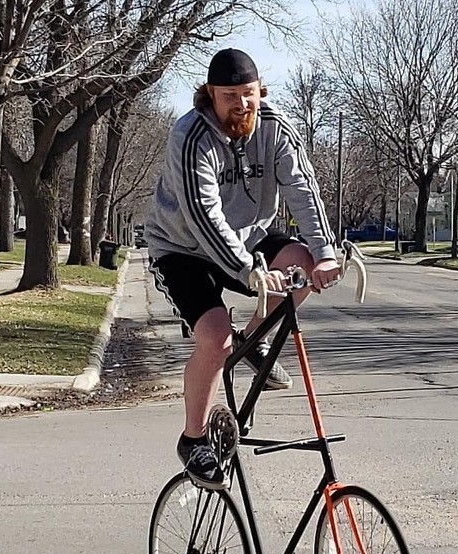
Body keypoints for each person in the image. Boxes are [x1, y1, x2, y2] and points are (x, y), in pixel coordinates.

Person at [146, 48, 340, 491]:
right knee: (214, 338)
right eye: (229, 95)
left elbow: (302, 188)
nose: (241, 104)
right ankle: (193, 439)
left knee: (301, 264)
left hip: (250, 236)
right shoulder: (191, 136)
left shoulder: (275, 127)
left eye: (248, 94)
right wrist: (247, 269)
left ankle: (254, 340)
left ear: (260, 91)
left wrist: (325, 251)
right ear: (210, 95)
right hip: (183, 248)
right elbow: (202, 213)